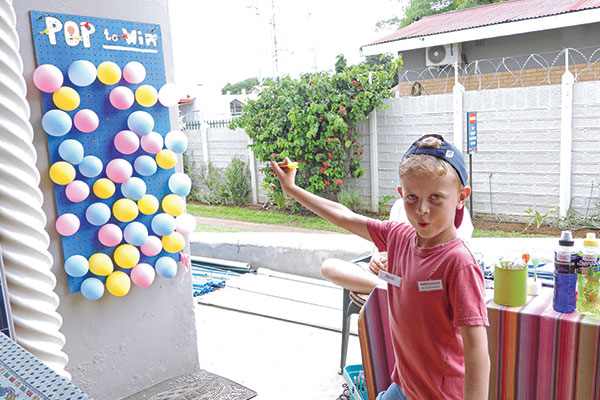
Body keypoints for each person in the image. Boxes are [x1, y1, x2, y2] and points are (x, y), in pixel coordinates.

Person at [271, 134, 489, 399]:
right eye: (412, 197)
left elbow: (476, 350)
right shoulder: (398, 236)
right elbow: (343, 216)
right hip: (404, 387)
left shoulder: (460, 263)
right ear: (401, 194)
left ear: (461, 197)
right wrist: (292, 190)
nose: (422, 209)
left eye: (435, 197)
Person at [320, 198, 474, 296]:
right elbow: (383, 243)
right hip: (392, 279)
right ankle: (394, 289)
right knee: (329, 266)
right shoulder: (400, 206)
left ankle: (399, 290)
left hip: (424, 282)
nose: (421, 210)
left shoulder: (457, 216)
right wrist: (377, 258)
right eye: (411, 196)